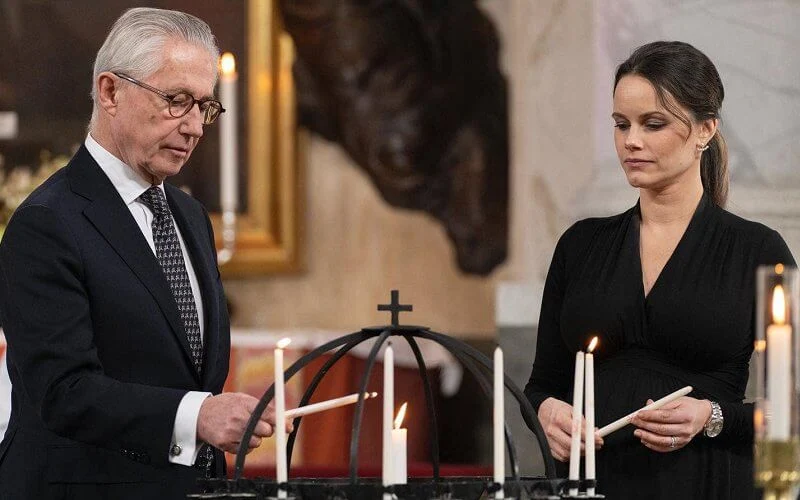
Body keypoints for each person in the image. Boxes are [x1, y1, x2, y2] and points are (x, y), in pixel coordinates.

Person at [0, 8, 285, 499]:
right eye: (178, 101)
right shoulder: (46, 222)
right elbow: (63, 392)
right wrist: (198, 415)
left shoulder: (191, 216)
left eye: (205, 107)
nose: (196, 127)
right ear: (110, 92)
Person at [524, 41, 795, 499]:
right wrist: (548, 412)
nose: (631, 141)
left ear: (705, 129)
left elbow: (792, 409)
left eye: (653, 124)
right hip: (594, 481)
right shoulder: (580, 244)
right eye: (620, 124)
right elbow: (542, 384)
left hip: (708, 481)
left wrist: (713, 416)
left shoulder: (757, 249)